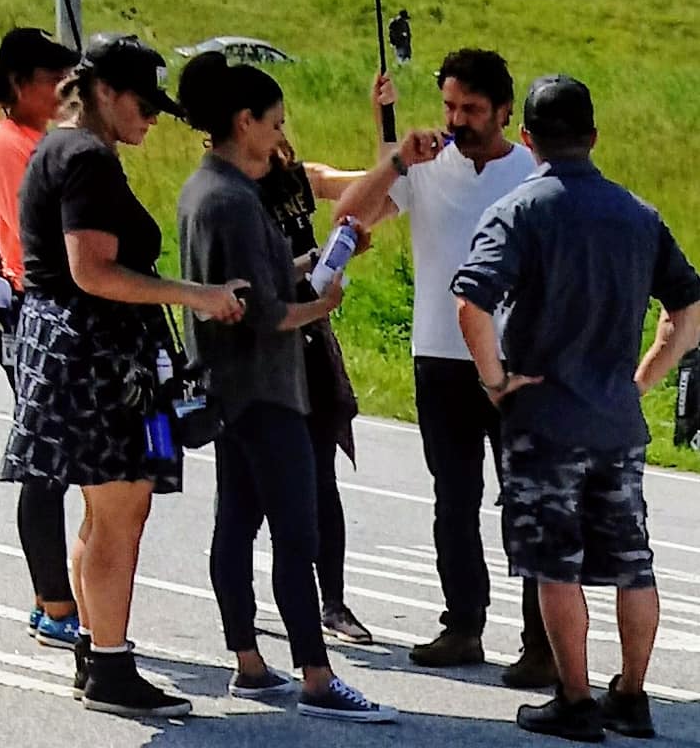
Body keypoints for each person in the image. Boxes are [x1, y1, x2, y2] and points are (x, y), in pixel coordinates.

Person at [0, 33, 246, 719]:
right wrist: (197, 295)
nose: (153, 116)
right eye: (144, 102)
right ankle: (109, 665)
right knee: (120, 511)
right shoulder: (86, 158)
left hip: (68, 343)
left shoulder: (59, 147)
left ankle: (94, 650)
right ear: (103, 92)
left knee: (102, 510)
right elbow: (93, 270)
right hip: (94, 351)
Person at [453, 74, 700, 742]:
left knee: (554, 563)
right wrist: (641, 381)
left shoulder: (518, 211)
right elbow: (687, 311)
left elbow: (471, 303)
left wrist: (496, 381)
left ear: (527, 137)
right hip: (616, 418)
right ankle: (633, 694)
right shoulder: (639, 215)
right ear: (593, 136)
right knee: (632, 563)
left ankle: (576, 698)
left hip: (545, 419)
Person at [177, 52, 397, 722]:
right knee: (296, 532)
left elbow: (259, 279)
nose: (280, 134)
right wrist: (319, 304)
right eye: (274, 123)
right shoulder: (234, 201)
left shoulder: (206, 188)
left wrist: (318, 259)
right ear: (244, 121)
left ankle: (249, 662)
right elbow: (266, 310)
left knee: (237, 523)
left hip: (228, 386)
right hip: (264, 386)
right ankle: (318, 677)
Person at [335, 49, 555, 686]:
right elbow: (351, 214)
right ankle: (463, 624)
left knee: (526, 500)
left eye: (473, 109)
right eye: (450, 106)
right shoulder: (427, 165)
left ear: (505, 111)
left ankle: (541, 640)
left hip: (514, 359)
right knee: (453, 500)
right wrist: (396, 158)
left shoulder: (531, 171)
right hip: (439, 355)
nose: (457, 120)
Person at [0, 27, 81, 648]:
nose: (64, 91)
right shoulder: (8, 143)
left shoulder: (43, 139)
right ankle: (53, 601)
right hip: (32, 306)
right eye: (53, 81)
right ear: (19, 84)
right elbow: (40, 227)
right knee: (44, 460)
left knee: (61, 459)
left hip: (56, 303)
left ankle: (57, 597)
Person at [258, 136, 371, 644]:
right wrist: (315, 260)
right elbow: (257, 280)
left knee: (323, 479)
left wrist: (398, 152)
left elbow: (356, 184)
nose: (279, 139)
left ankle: (334, 602)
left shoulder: (297, 181)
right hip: (265, 351)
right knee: (250, 490)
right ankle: (242, 608)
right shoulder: (233, 194)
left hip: (311, 339)